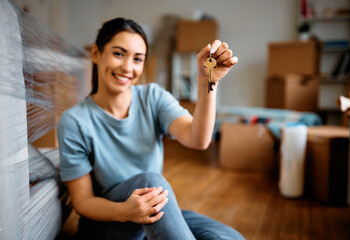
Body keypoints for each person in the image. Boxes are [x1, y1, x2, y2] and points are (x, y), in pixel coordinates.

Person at [57, 17, 244, 240]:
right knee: (151, 184)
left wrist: (207, 81)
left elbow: (198, 139)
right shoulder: (74, 121)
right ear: (96, 54)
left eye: (138, 59)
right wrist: (126, 211)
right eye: (118, 53)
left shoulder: (153, 97)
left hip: (151, 211)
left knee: (225, 236)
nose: (127, 67)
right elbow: (83, 202)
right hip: (108, 223)